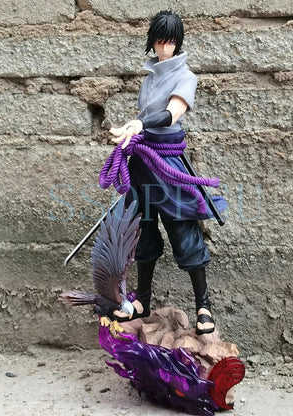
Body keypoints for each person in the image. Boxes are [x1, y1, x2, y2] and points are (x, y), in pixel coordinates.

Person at [101, 10, 226, 335]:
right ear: (152, 42)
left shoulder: (186, 77)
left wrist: (140, 123)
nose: (164, 47)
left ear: (177, 42)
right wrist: (133, 133)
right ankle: (142, 299)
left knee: (183, 230)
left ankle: (203, 305)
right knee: (142, 230)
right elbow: (145, 120)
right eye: (159, 40)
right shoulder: (149, 79)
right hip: (142, 163)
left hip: (168, 164)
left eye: (170, 41)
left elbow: (171, 115)